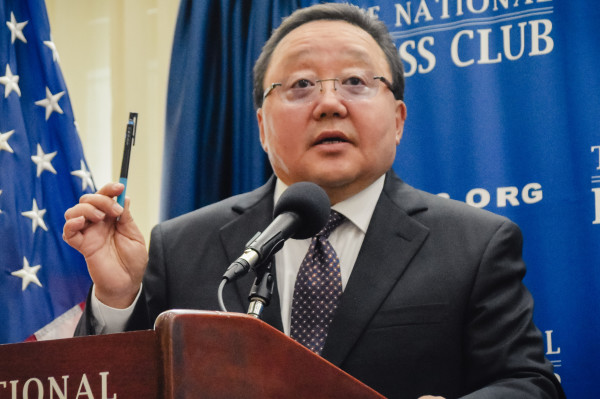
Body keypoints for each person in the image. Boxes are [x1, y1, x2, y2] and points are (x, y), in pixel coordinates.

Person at [63, 3, 565, 399]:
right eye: (301, 85)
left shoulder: (476, 242)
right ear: (261, 126)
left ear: (398, 120)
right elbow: (114, 385)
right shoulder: (182, 243)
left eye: (356, 82)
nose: (329, 103)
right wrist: (116, 299)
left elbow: (531, 384)